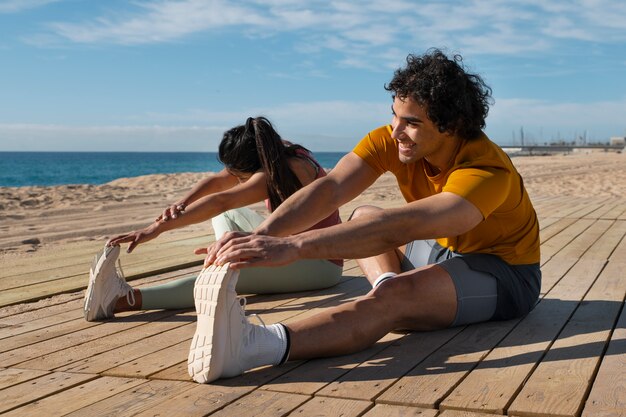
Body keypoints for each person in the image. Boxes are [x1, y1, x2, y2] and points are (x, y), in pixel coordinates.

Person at [187, 49, 541, 384]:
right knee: (364, 214)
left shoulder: (486, 171)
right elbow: (332, 188)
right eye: (394, 115)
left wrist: (294, 247)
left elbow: (398, 227)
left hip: (503, 273)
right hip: (443, 251)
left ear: (453, 125)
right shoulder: (398, 140)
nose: (396, 131)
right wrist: (263, 236)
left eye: (411, 123)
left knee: (395, 291)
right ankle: (389, 293)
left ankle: (251, 346)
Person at [83, 117, 343, 322]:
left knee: (219, 275)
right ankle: (229, 264)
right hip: (289, 246)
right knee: (225, 223)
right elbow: (219, 183)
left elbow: (223, 199)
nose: (235, 177)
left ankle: (119, 300)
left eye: (239, 173)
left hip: (320, 264)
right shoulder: (274, 150)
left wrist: (155, 230)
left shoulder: (284, 170)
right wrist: (181, 204)